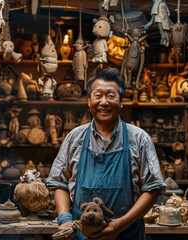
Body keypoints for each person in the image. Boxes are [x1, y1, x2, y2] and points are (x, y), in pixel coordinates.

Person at [45, 67, 166, 239]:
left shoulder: (139, 139)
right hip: (82, 236)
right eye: (98, 95)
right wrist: (64, 218)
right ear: (89, 101)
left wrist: (119, 225)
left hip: (126, 234)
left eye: (111, 96)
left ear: (121, 102)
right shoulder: (75, 138)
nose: (104, 102)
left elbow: (152, 188)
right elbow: (59, 182)